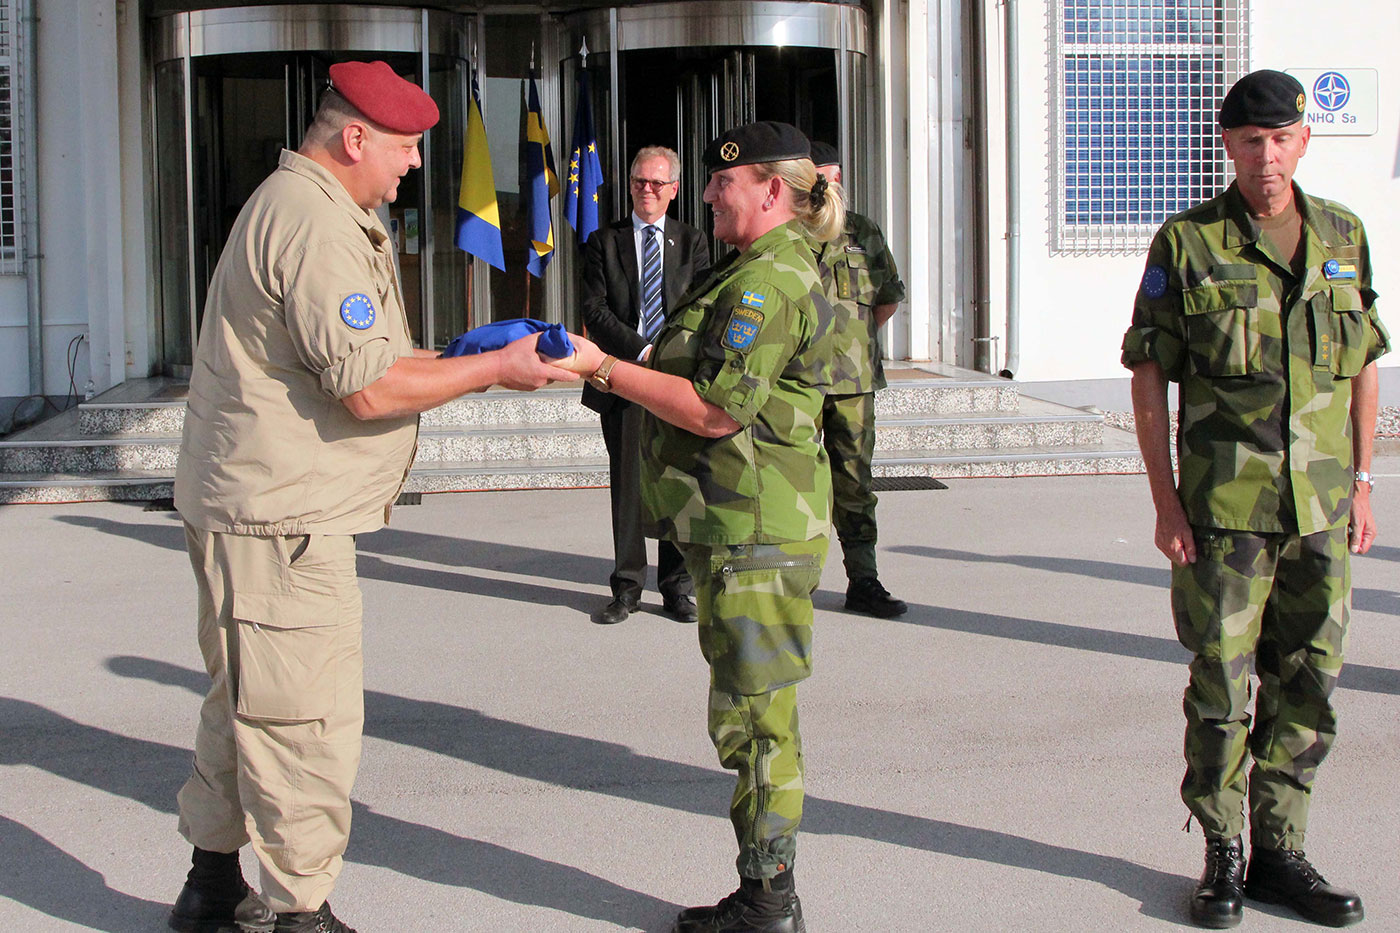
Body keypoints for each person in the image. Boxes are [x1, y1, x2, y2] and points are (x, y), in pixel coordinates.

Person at [167, 61, 577, 933]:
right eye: (404, 146)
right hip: (283, 521)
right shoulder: (315, 223)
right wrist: (495, 370)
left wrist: (464, 353)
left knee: (244, 699)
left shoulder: (311, 207)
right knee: (302, 722)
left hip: (258, 510)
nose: (415, 165)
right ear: (354, 138)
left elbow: (371, 361)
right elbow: (365, 390)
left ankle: (211, 886)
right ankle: (298, 913)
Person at [558, 121, 842, 933]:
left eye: (726, 179)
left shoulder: (766, 283)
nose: (709, 192)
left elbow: (718, 409)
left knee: (757, 722)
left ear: (771, 190)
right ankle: (766, 889)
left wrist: (602, 367)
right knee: (752, 718)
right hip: (738, 529)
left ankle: (768, 899)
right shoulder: (750, 268)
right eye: (710, 180)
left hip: (755, 534)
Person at [1122, 69, 1389, 931]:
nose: (1265, 157)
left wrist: (1361, 480)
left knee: (1309, 681)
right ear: (1227, 146)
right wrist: (1165, 504)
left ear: (1302, 142)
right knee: (1220, 686)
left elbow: (1364, 362)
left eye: (1279, 139)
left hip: (1321, 511)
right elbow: (1151, 376)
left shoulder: (1344, 233)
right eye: (1248, 141)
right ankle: (1222, 853)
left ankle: (1281, 848)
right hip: (1224, 510)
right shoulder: (1189, 242)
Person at [580, 145, 711, 626]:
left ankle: (677, 588)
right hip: (625, 376)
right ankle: (627, 587)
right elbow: (595, 310)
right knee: (629, 487)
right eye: (639, 181)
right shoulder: (603, 240)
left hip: (677, 379)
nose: (647, 190)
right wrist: (642, 352)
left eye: (657, 183)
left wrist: (671, 355)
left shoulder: (693, 241)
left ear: (674, 190)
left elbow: (699, 305)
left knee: (678, 481)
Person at [808, 140, 908, 617]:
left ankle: (863, 580)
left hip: (853, 382)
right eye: (815, 177)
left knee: (853, 481)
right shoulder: (787, 231)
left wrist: (853, 342)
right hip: (797, 380)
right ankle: (793, 577)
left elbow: (886, 297)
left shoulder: (863, 232)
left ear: (840, 179)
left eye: (829, 177)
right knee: (795, 479)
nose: (823, 187)